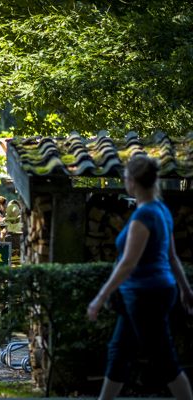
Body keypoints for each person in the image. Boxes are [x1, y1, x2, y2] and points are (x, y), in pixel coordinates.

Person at [88, 155, 193, 400]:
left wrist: (99, 298)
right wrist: (186, 290)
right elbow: (173, 257)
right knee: (119, 353)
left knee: (165, 361)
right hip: (148, 294)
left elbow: (127, 264)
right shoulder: (161, 210)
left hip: (146, 295)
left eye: (125, 177)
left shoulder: (144, 216)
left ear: (132, 181)